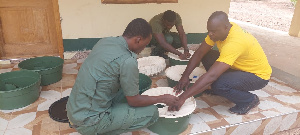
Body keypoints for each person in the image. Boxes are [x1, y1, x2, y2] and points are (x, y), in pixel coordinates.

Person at [66, 18, 179, 135]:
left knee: (130, 84)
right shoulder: (128, 60)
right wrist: (162, 98)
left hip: (74, 109)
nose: (142, 50)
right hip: (89, 121)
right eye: (144, 45)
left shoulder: (105, 41)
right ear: (138, 40)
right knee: (152, 113)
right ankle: (100, 130)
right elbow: (134, 101)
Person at [173, 11, 272, 115]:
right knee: (207, 55)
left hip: (257, 76)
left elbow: (212, 75)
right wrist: (185, 76)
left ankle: (249, 100)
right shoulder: (219, 31)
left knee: (218, 84)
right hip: (239, 68)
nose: (210, 34)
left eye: (213, 31)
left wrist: (182, 98)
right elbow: (199, 53)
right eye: (209, 31)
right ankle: (223, 87)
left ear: (225, 27)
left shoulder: (235, 42)